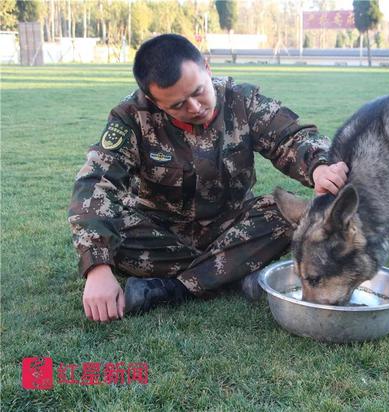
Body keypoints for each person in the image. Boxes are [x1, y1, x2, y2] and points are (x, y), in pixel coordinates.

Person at [68, 34, 348, 323]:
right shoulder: (131, 116)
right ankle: (233, 270)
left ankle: (173, 288)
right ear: (154, 100)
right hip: (161, 234)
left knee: (287, 216)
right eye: (177, 105)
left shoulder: (243, 100)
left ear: (207, 67)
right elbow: (96, 183)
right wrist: (97, 267)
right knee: (117, 233)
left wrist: (319, 165)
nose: (194, 107)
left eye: (198, 91)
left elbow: (292, 137)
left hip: (231, 226)